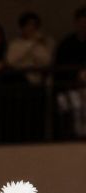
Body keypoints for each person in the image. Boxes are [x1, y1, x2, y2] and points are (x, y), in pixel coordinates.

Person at [6, 12, 54, 141]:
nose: (31, 29)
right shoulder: (15, 44)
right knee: (21, 119)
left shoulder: (42, 45)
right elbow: (12, 60)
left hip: (37, 85)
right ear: (22, 27)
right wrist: (31, 45)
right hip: (21, 86)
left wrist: (35, 46)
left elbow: (46, 60)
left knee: (37, 118)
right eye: (28, 25)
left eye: (34, 25)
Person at [54, 7, 86, 139]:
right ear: (76, 23)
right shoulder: (66, 44)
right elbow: (59, 69)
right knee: (74, 104)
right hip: (70, 88)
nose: (84, 26)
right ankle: (74, 135)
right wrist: (76, 77)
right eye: (82, 22)